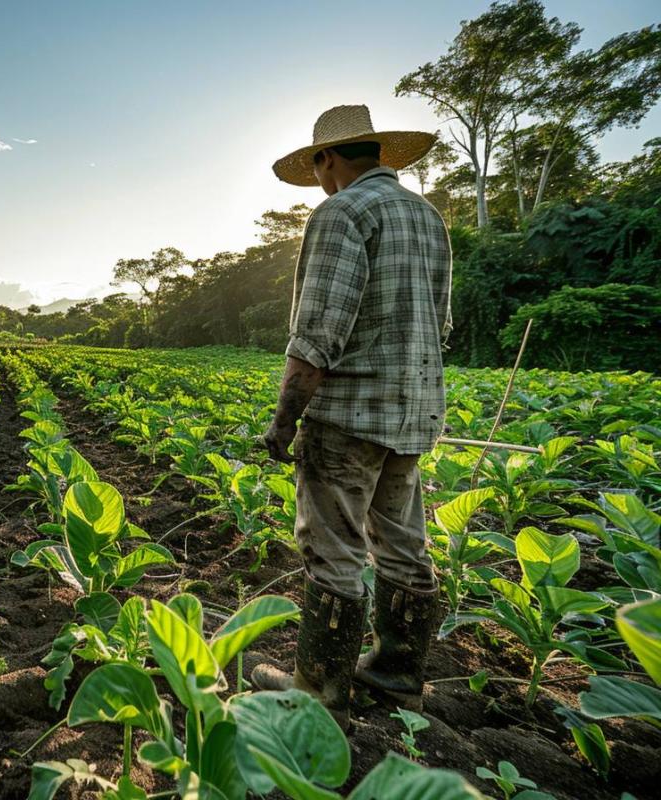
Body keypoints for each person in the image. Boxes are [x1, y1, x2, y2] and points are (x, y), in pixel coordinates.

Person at [250, 104, 453, 731]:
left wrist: (284, 422)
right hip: (413, 414)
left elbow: (316, 334)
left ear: (327, 160)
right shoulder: (427, 216)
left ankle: (320, 693)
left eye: (318, 170)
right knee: (402, 543)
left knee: (332, 548)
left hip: (349, 417)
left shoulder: (341, 213)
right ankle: (397, 676)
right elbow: (442, 324)